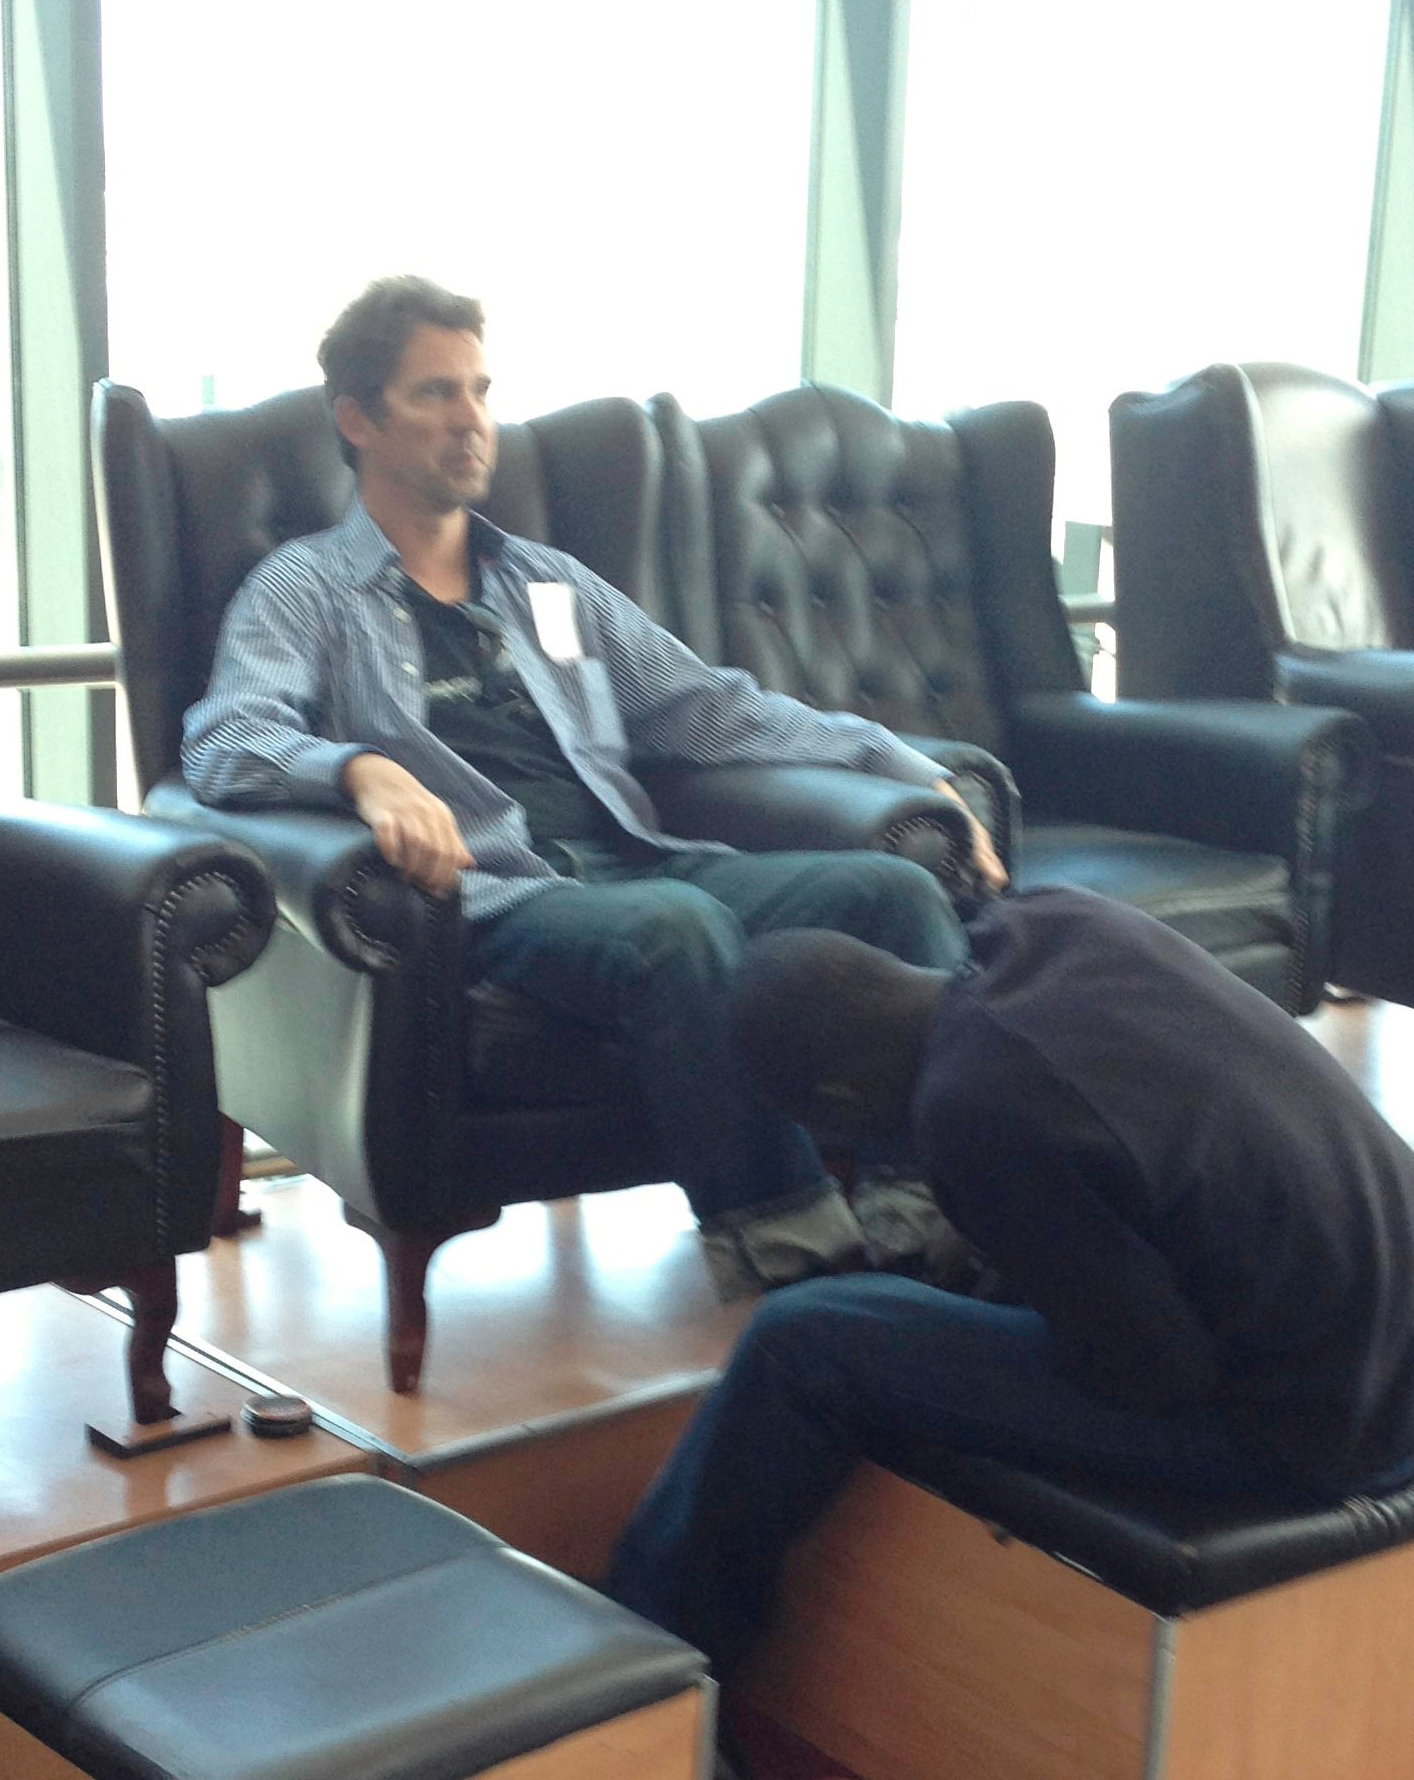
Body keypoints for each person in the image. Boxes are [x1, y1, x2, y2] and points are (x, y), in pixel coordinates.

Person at [607, 885, 1414, 1780]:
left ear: (837, 1107)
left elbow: (1154, 1372)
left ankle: (656, 1677)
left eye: (828, 1136)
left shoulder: (973, 1109)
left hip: (1318, 1429)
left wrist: (1003, 1281)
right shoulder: (1060, 925)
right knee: (917, 1297)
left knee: (801, 1341)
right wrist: (1011, 1263)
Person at [181, 275, 1007, 1297]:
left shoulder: (547, 582)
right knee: (674, 930)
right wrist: (360, 769)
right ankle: (797, 1252)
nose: (471, 420)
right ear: (358, 421)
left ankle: (937, 1216)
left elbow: (711, 706)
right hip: (494, 894)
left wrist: (909, 765)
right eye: (435, 394)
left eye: (480, 391)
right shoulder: (303, 589)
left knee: (895, 892)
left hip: (634, 857)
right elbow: (223, 741)